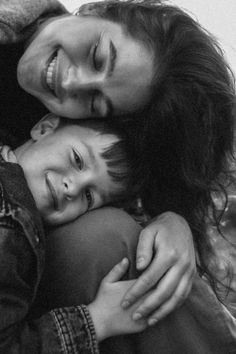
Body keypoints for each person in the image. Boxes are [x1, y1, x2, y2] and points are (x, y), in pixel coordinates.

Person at [0, 0, 197, 325]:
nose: (72, 83)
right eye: (97, 56)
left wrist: (174, 223)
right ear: (94, 9)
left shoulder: (62, 131)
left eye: (95, 102)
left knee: (114, 240)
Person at [0, 113, 152, 353]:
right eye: (78, 160)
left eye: (89, 196)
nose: (73, 188)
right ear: (43, 128)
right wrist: (96, 320)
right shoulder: (15, 231)